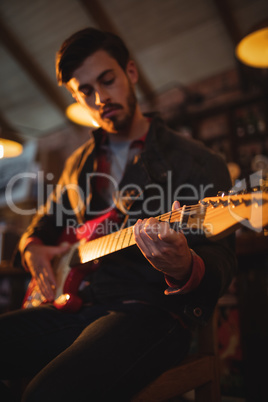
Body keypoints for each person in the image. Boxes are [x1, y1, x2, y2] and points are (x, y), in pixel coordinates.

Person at [0, 28, 236, 402]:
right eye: (86, 92)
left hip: (148, 312)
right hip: (79, 305)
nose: (100, 98)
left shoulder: (197, 162)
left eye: (107, 80)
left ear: (131, 72)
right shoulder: (79, 163)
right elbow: (48, 220)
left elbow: (222, 261)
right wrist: (32, 247)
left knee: (45, 394)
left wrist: (184, 266)